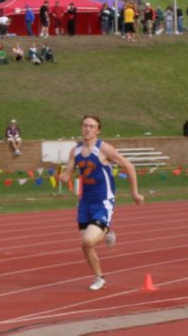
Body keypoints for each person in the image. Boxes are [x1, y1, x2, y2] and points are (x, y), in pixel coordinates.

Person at [60, 115, 144, 291]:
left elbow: (129, 166)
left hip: (103, 201)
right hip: (85, 202)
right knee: (84, 244)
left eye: (91, 126)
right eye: (85, 126)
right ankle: (100, 278)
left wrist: (134, 192)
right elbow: (68, 173)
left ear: (98, 130)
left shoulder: (105, 149)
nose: (87, 129)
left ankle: (106, 230)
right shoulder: (75, 151)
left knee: (89, 241)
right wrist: (63, 177)